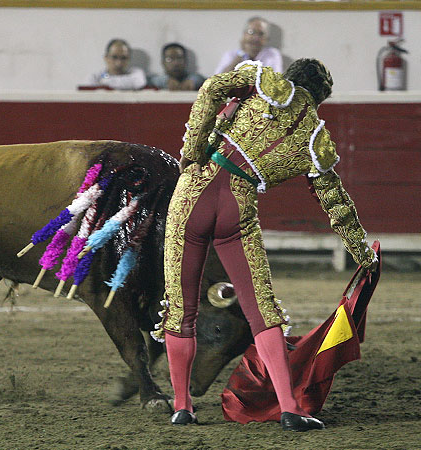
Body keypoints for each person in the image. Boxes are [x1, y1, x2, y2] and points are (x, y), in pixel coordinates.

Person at [151, 58, 378, 430]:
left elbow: (210, 89)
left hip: (195, 191)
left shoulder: (261, 82)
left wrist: (192, 149)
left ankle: (182, 406)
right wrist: (361, 253)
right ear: (320, 99)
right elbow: (334, 200)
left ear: (289, 78)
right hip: (237, 207)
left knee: (182, 307)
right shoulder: (314, 138)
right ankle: (289, 407)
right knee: (262, 310)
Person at [214, 17, 282, 74]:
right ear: (244, 35)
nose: (256, 38)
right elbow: (217, 81)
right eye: (251, 32)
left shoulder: (272, 54)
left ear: (266, 38)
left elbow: (274, 82)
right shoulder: (231, 54)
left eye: (261, 34)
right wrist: (242, 53)